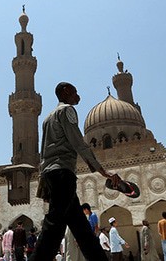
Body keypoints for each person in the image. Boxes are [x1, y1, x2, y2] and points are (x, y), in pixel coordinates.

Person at [30, 82, 120, 261]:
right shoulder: (67, 111)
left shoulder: (48, 118)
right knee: (53, 227)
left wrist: (44, 180)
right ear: (65, 92)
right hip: (63, 173)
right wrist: (103, 172)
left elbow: (44, 152)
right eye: (75, 93)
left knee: (82, 230)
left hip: (51, 173)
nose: (77, 96)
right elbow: (79, 142)